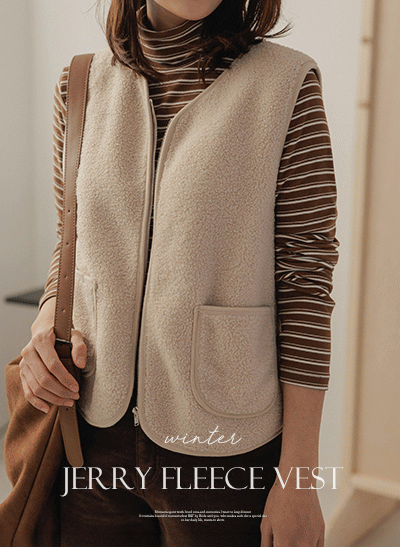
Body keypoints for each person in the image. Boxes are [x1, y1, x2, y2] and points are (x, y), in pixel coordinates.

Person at [18, 0, 339, 545]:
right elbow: (71, 243)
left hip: (225, 448)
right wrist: (46, 320)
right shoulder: (79, 84)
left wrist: (299, 478)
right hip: (90, 436)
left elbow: (305, 280)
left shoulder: (287, 86)